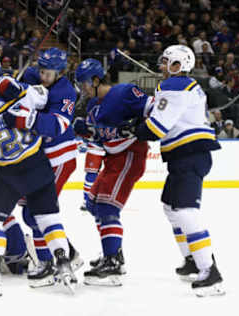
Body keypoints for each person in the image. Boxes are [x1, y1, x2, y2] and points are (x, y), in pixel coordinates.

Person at [0, 72, 77, 296]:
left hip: (10, 174)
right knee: (48, 218)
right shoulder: (19, 96)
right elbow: (44, 96)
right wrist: (15, 86)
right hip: (39, 165)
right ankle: (64, 263)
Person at [128, 45, 225, 297]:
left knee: (185, 211)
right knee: (171, 207)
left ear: (178, 66)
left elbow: (156, 128)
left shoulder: (175, 86)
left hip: (190, 154)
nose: (162, 67)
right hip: (186, 155)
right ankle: (193, 259)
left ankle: (210, 271)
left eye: (167, 62)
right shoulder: (182, 87)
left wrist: (134, 129)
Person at [72, 58, 151, 286]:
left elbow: (153, 109)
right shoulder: (91, 107)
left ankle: (113, 263)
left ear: (97, 79)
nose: (82, 88)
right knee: (94, 204)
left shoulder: (124, 92)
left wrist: (138, 127)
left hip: (129, 156)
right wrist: (85, 131)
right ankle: (114, 253)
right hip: (113, 159)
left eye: (84, 83)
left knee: (107, 207)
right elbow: (99, 136)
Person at [11, 47, 80, 287]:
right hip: (39, 159)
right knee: (30, 210)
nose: (43, 76)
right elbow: (14, 88)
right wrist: (5, 82)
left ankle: (47, 263)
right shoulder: (32, 76)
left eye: (48, 73)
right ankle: (65, 253)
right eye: (41, 70)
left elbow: (55, 126)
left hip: (60, 157)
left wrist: (24, 119)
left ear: (60, 72)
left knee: (35, 211)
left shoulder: (66, 92)